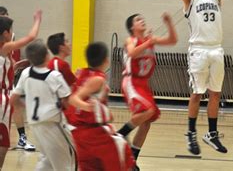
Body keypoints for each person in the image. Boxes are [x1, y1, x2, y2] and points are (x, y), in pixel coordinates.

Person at [170, 0, 231, 155]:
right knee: (197, 94)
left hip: (216, 49)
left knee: (215, 94)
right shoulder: (191, 0)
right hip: (198, 50)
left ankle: (212, 135)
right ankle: (191, 134)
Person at [117, 13, 177, 169]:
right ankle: (119, 134)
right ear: (132, 27)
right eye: (138, 20)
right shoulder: (131, 40)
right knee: (149, 110)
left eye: (143, 18)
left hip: (144, 84)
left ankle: (132, 161)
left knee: (147, 122)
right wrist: (149, 41)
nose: (142, 20)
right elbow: (132, 53)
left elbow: (173, 40)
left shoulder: (150, 40)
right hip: (131, 81)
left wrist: (169, 23)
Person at [69, 42, 135, 171]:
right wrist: (87, 106)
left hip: (80, 134)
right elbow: (74, 98)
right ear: (106, 60)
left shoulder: (81, 73)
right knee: (123, 155)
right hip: (95, 134)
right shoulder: (97, 79)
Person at [10, 39, 75, 170]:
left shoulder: (25, 73)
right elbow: (67, 102)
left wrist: (28, 105)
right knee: (68, 161)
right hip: (53, 125)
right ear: (47, 56)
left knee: (47, 160)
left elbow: (13, 99)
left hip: (34, 125)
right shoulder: (55, 76)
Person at [0, 9, 42, 167]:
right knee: (3, 144)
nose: (12, 33)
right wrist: (37, 19)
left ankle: (22, 137)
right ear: (5, 33)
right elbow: (31, 37)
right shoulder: (4, 47)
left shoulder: (4, 52)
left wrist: (14, 65)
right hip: (2, 98)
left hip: (5, 93)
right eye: (10, 31)